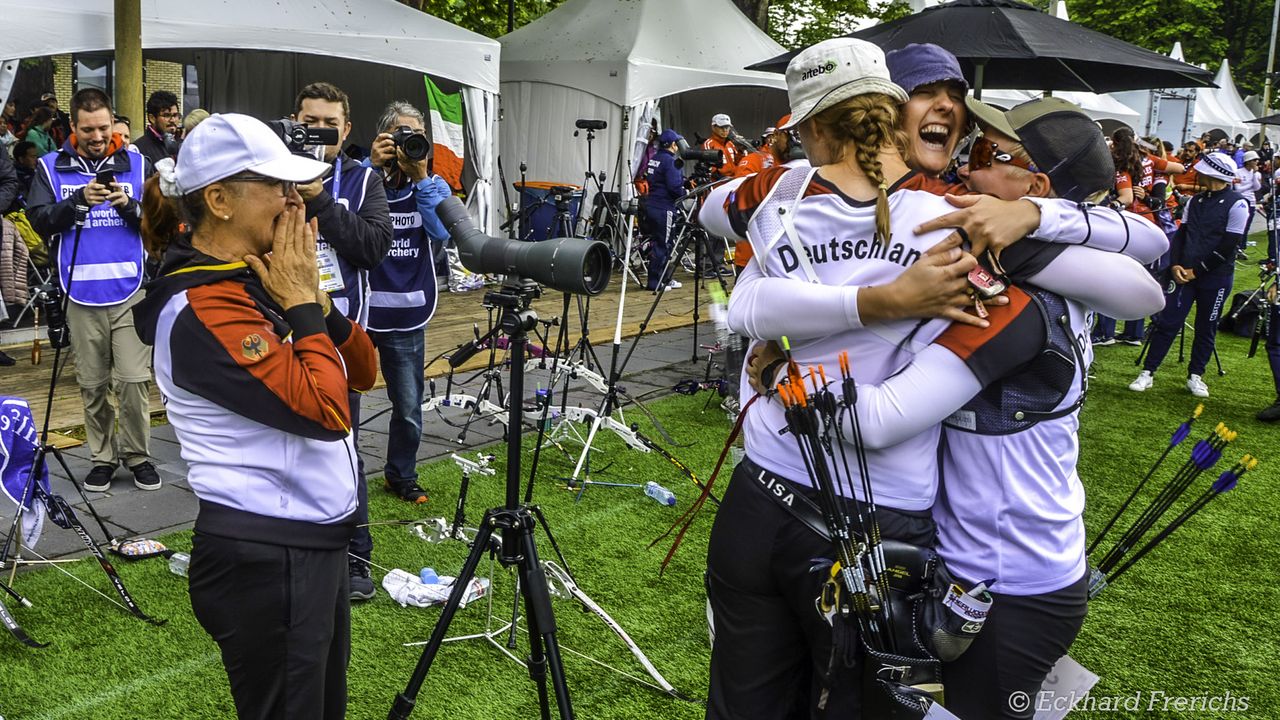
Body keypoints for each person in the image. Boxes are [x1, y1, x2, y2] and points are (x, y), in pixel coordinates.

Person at [745, 96, 1163, 720]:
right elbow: (1143, 263)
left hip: (1012, 582)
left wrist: (780, 369)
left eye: (987, 156)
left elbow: (1145, 287)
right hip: (982, 569)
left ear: (1036, 184)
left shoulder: (1024, 282)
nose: (965, 169)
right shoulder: (1023, 256)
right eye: (968, 150)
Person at [132, 112, 375, 720]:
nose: (296, 203)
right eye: (279, 186)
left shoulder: (260, 281)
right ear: (218, 199)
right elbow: (328, 412)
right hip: (268, 556)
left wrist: (317, 310)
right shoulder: (200, 304)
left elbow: (364, 374)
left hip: (308, 546)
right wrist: (301, 308)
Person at [26, 87, 159, 493]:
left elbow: (162, 220)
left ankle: (137, 455)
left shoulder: (136, 163)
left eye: (103, 127)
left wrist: (129, 206)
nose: (97, 136)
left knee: (134, 380)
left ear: (112, 123)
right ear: (73, 127)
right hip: (79, 292)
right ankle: (102, 458)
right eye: (88, 129)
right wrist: (78, 202)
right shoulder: (51, 167)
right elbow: (38, 220)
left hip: (131, 289)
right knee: (92, 382)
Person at [293, 81, 392, 600]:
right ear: (294, 120)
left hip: (339, 336)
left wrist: (322, 202)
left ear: (346, 129)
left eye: (329, 125)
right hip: (281, 333)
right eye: (309, 122)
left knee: (343, 444)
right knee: (284, 442)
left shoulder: (362, 180)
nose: (318, 133)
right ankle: (293, 547)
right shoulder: (272, 173)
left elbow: (374, 247)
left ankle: (356, 556)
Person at [359, 100, 453, 598]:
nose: (406, 142)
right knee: (343, 403)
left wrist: (419, 176)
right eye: (399, 135)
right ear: (380, 138)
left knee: (410, 408)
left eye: (415, 135)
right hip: (362, 306)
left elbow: (443, 232)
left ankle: (401, 473)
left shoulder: (427, 184)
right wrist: (372, 167)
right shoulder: (361, 176)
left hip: (407, 309)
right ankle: (342, 476)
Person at [1130, 152, 1247, 398]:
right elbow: (1182, 235)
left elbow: (1229, 245)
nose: (1197, 174)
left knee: (1207, 326)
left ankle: (1196, 375)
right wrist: (1175, 265)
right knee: (1168, 322)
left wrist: (1197, 270)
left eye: (1202, 171)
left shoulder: (1238, 204)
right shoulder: (1195, 201)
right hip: (1184, 273)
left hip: (1215, 276)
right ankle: (1148, 372)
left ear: (1213, 174)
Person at [643, 128, 685, 292]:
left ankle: (665, 278)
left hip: (652, 205)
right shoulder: (670, 161)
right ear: (674, 144)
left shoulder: (655, 158)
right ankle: (655, 282)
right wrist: (685, 192)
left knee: (660, 243)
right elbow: (674, 187)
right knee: (664, 245)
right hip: (664, 207)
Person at [133, 90, 181, 167]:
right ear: (152, 118)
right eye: (167, 115)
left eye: (175, 115)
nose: (172, 120)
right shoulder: (138, 150)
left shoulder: (182, 145)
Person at [703, 113, 743, 178]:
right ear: (713, 127)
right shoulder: (708, 144)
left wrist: (741, 150)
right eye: (721, 127)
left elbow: (739, 162)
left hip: (735, 179)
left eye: (727, 127)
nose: (725, 130)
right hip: (719, 183)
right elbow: (709, 168)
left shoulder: (731, 144)